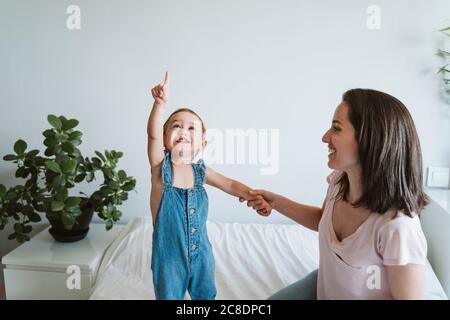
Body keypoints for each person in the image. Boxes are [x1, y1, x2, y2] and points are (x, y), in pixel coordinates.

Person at [242, 89, 430, 299]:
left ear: (369, 139)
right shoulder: (340, 181)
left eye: (336, 129)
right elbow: (324, 219)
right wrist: (276, 202)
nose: (325, 137)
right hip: (326, 281)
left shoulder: (398, 227)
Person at [147, 72, 272, 300]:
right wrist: (159, 104)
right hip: (169, 257)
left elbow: (231, 184)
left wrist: (255, 197)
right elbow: (152, 137)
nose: (184, 131)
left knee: (206, 296)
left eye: (192, 128)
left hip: (201, 253)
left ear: (202, 144)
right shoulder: (160, 169)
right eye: (176, 126)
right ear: (165, 137)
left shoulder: (201, 172)